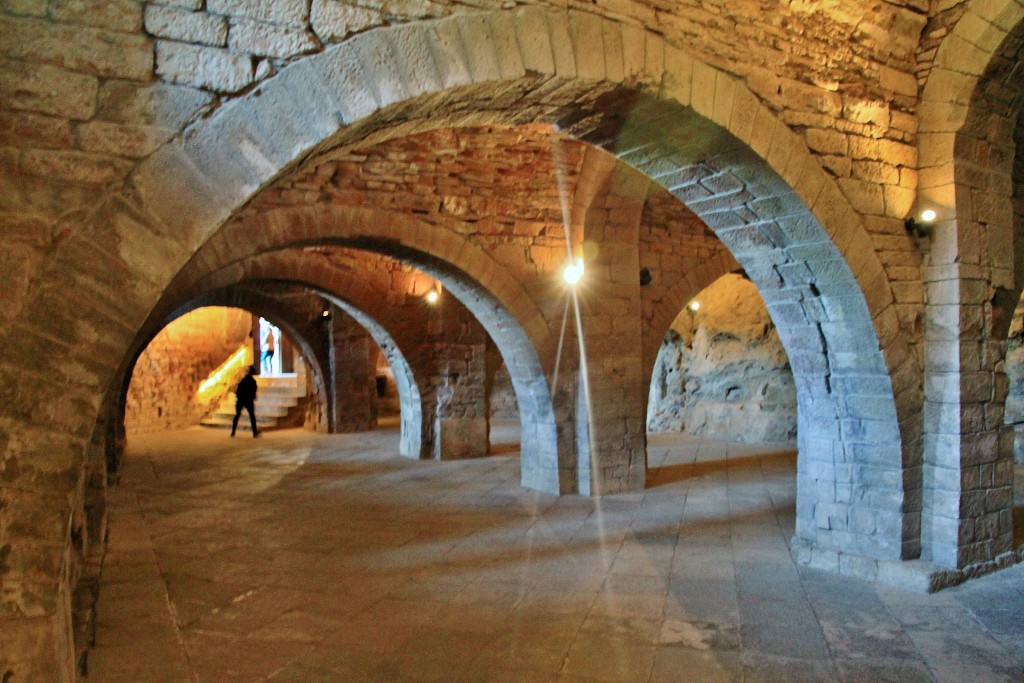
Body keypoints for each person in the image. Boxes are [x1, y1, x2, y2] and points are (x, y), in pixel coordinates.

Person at [231, 366, 260, 438]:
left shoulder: (242, 380)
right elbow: (253, 392)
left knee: (237, 415)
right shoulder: (252, 381)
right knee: (252, 416)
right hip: (248, 400)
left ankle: (233, 431)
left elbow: (237, 390)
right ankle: (255, 432)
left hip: (240, 399)